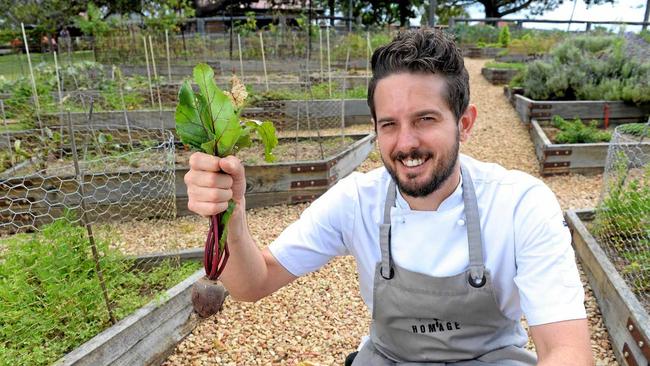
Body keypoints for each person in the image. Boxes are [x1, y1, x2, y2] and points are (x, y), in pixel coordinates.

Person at [184, 28, 594, 365]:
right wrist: (230, 215)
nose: (406, 143)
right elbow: (254, 282)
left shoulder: (520, 203)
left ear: (464, 123)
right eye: (390, 125)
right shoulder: (356, 200)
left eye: (425, 119)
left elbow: (567, 349)